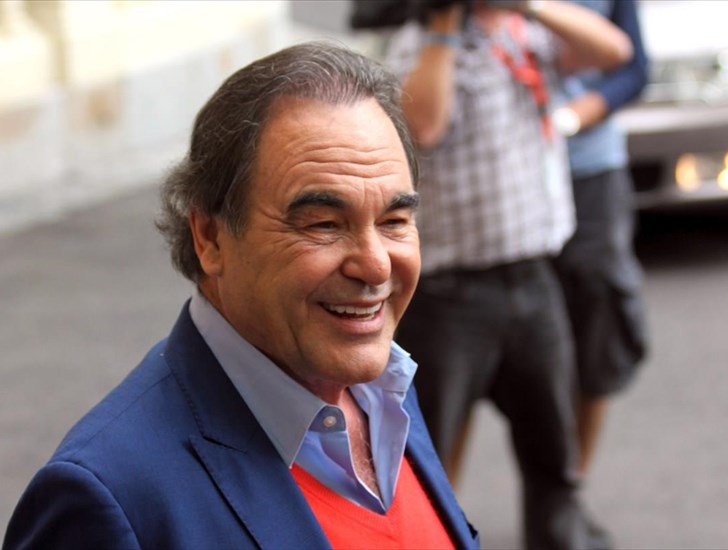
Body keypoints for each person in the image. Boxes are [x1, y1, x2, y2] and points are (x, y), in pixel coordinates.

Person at [3, 42, 478, 550]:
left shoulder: (386, 393)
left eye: (394, 221)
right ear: (209, 238)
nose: (377, 264)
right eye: (323, 224)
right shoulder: (110, 498)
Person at [384, 1, 632, 548]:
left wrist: (532, 5)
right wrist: (445, 26)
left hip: (534, 281)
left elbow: (615, 52)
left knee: (554, 460)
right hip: (451, 295)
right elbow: (423, 125)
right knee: (426, 459)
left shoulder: (525, 32)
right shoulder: (417, 43)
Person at [553, 0, 649, 479]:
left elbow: (633, 67)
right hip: (502, 179)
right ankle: (437, 507)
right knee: (470, 344)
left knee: (597, 319)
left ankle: (571, 486)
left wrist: (574, 117)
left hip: (589, 166)